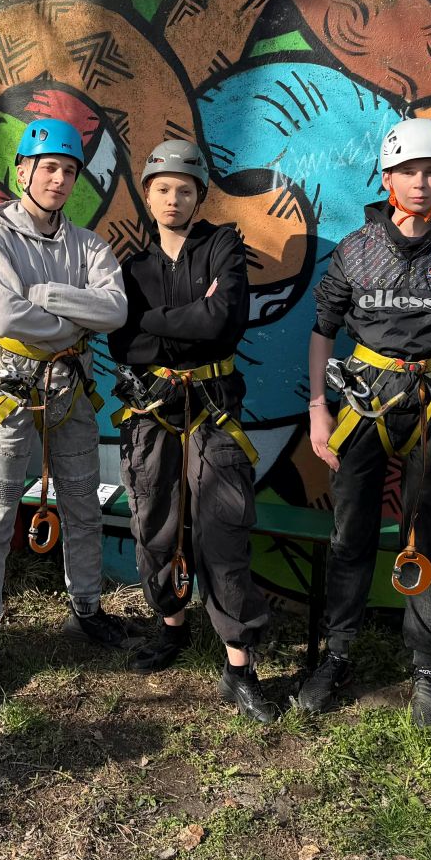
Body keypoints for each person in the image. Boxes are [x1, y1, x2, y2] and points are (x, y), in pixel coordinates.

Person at [294, 117, 431, 728]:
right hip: (363, 405)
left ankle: (424, 669)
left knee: (426, 536)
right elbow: (322, 331)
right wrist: (317, 409)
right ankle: (338, 655)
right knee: (350, 533)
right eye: (408, 171)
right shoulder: (356, 250)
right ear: (387, 178)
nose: (420, 182)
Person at [0, 117, 133, 707]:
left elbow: (116, 311)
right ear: (24, 171)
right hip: (11, 389)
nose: (58, 179)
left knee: (82, 504)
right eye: (48, 167)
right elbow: (4, 316)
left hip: (70, 390)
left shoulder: (88, 245)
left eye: (69, 170)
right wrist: (75, 320)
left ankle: (87, 606)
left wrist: (50, 297)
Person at [108, 140, 275, 721]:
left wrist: (148, 321)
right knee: (155, 520)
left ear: (199, 196)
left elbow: (223, 320)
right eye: (162, 189)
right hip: (152, 410)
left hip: (213, 405)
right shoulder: (132, 267)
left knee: (223, 529)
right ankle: (172, 626)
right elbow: (122, 343)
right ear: (147, 196)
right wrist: (179, 322)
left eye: (185, 189)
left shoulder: (222, 246)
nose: (173, 199)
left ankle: (239, 666)